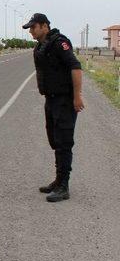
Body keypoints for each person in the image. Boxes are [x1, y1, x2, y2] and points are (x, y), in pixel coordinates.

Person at [24, 13, 84, 203]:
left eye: (33, 27)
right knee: (55, 140)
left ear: (44, 26)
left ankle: (64, 186)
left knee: (64, 142)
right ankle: (58, 180)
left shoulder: (60, 43)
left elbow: (75, 67)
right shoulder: (41, 46)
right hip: (51, 100)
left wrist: (77, 96)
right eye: (30, 28)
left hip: (64, 101)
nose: (31, 31)